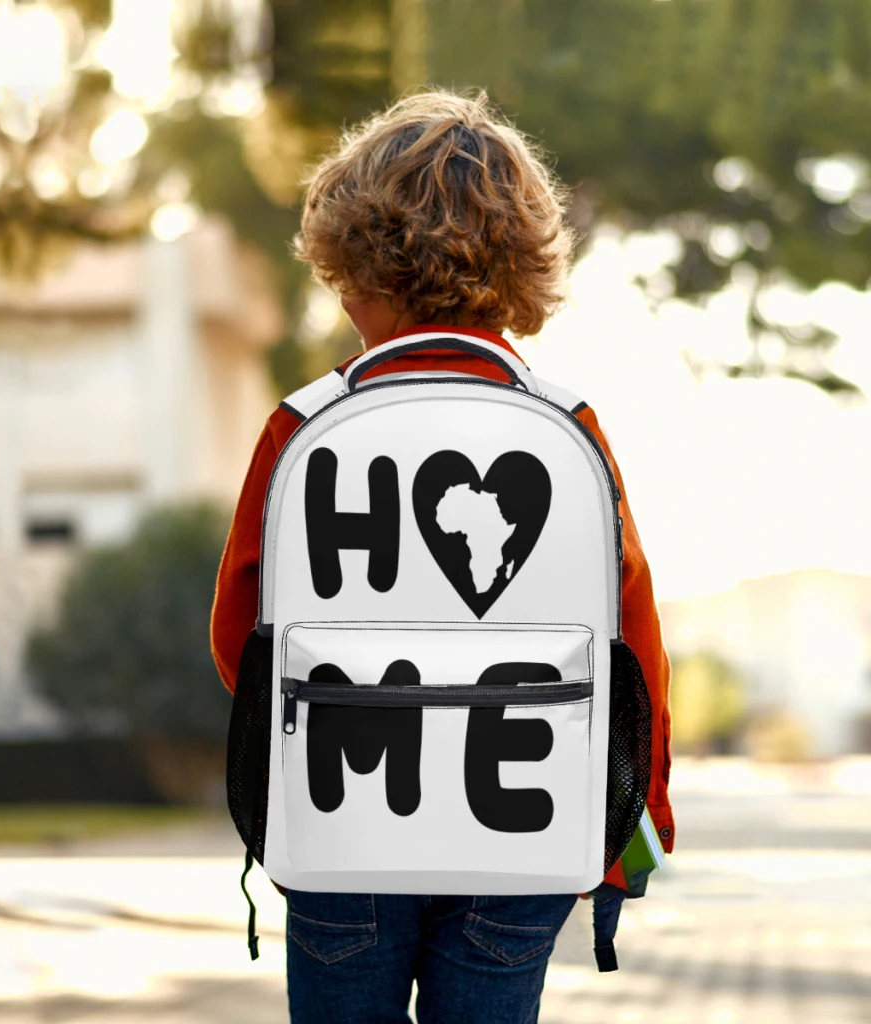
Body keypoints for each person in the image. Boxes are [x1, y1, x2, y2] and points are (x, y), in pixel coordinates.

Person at [211, 89, 673, 1024]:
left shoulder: (304, 425)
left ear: (352, 269)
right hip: (522, 831)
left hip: (345, 829)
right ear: (523, 267)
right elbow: (633, 638)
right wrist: (638, 815)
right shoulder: (568, 427)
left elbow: (237, 637)